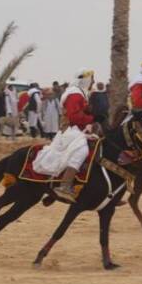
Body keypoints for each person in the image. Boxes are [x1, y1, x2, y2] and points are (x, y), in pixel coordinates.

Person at [42, 70, 98, 202]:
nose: (93, 82)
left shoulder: (81, 94)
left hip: (78, 129)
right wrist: (91, 118)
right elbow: (74, 117)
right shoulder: (75, 95)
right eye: (92, 79)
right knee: (81, 149)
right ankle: (65, 185)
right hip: (70, 130)